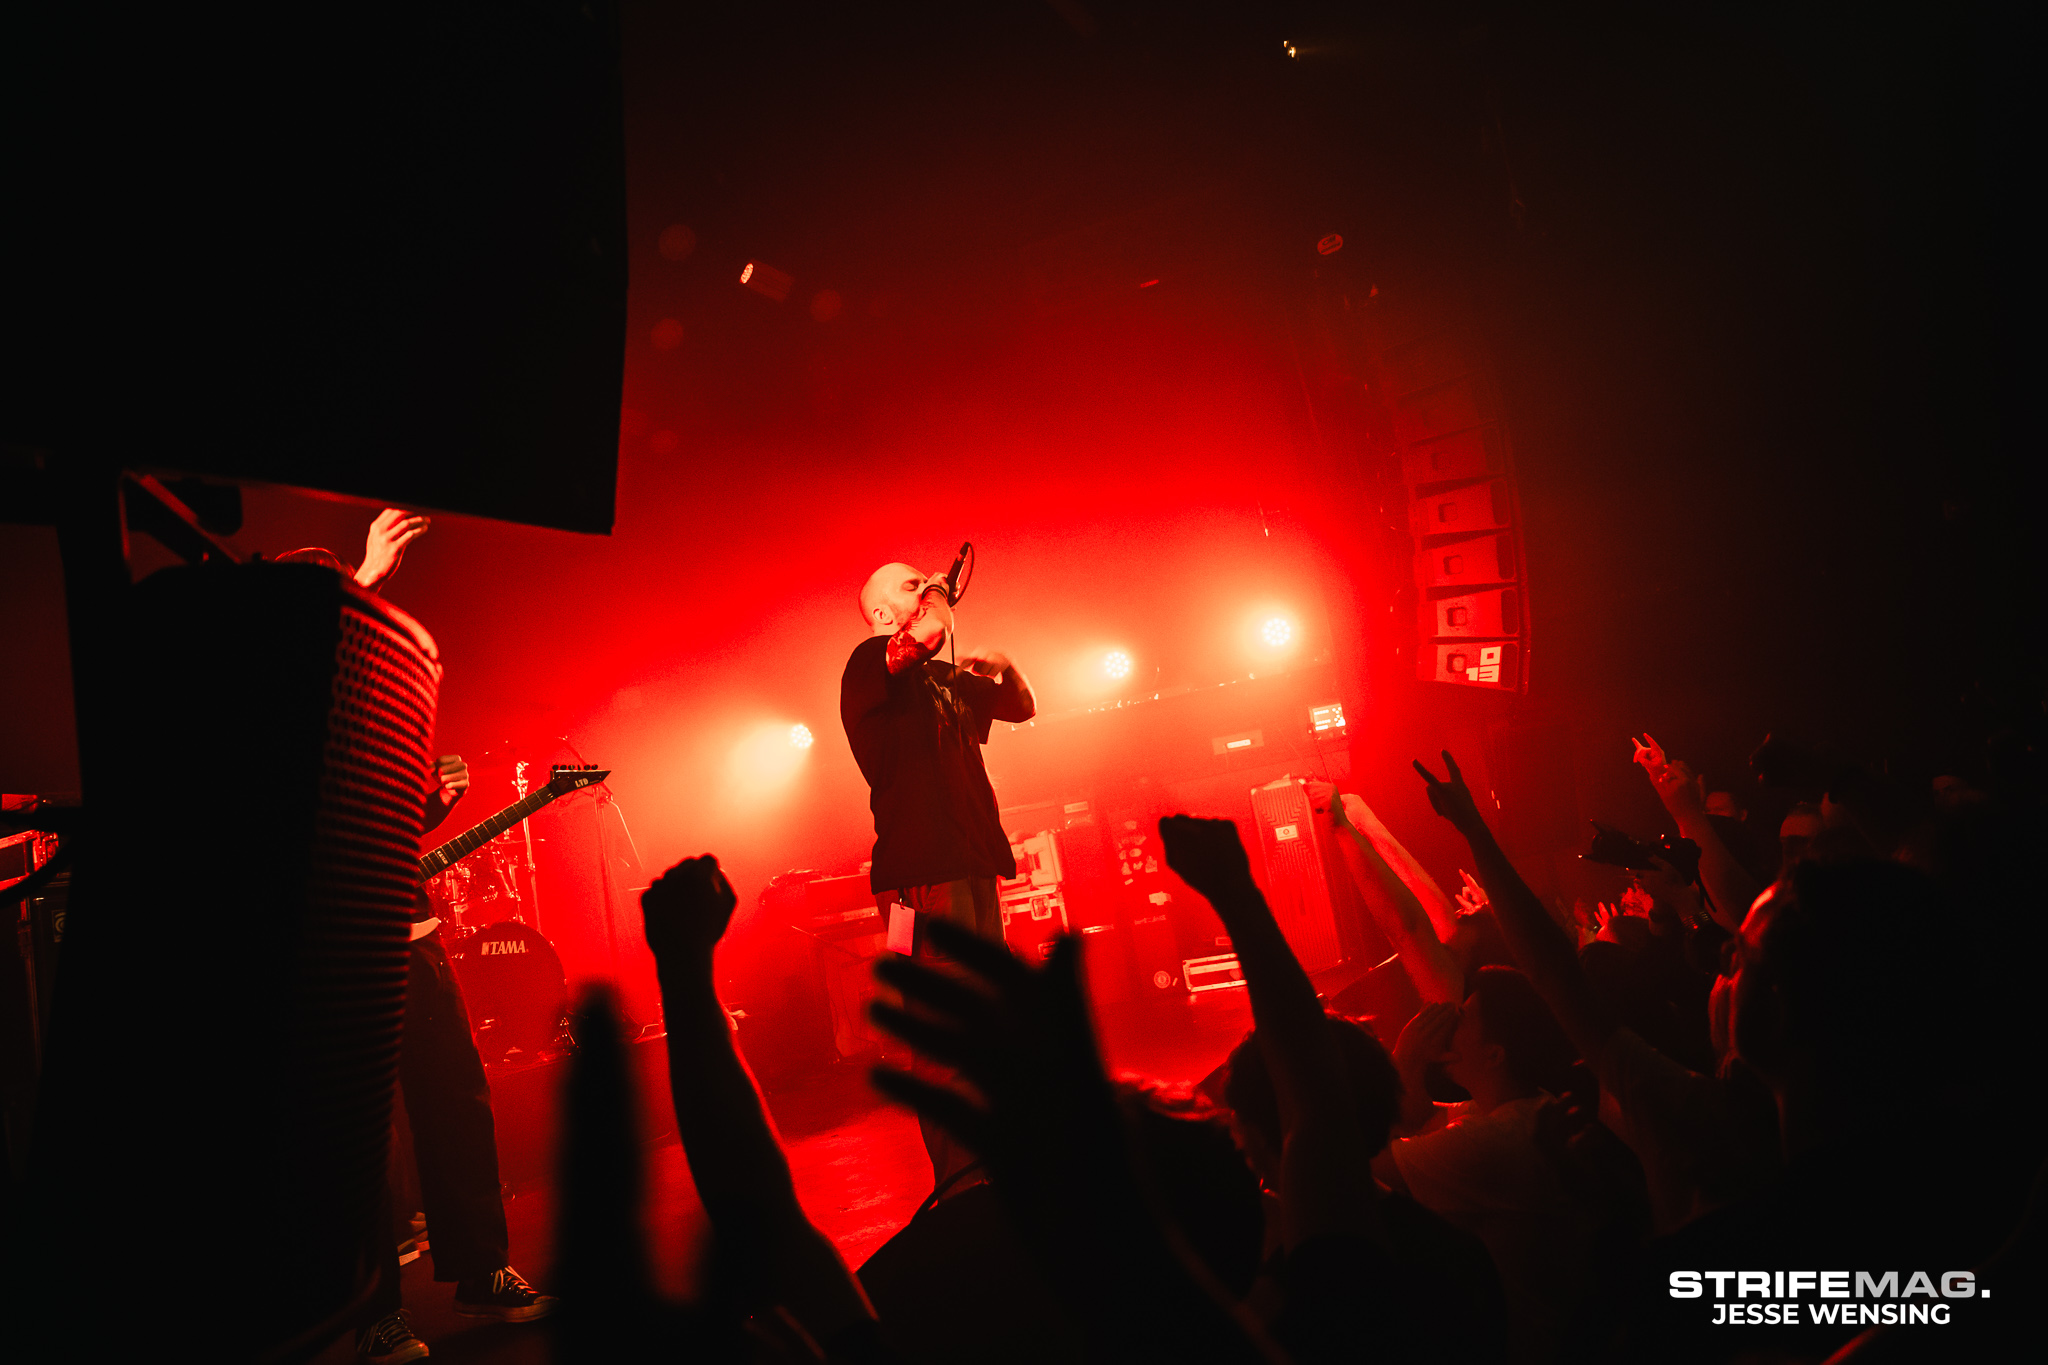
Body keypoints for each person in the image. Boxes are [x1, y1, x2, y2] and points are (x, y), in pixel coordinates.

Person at [282, 510, 553, 1363]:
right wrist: (365, 576)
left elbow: (369, 815)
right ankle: (375, 1313)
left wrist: (427, 804)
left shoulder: (363, 695)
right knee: (361, 1133)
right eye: (332, 602)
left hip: (414, 928)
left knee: (457, 1105)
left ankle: (482, 1270)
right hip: (340, 946)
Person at [840, 560, 1035, 1191]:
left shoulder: (942, 679)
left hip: (969, 865)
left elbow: (1021, 706)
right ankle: (962, 1183)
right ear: (881, 613)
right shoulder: (867, 662)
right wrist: (936, 594)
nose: (923, 585)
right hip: (917, 878)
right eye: (908, 584)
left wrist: (1006, 666)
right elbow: (923, 635)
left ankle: (996, 1162)